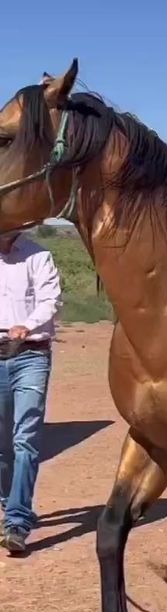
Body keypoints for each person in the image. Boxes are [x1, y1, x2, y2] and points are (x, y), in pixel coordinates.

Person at [0, 230, 62, 554]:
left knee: (25, 438)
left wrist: (27, 324)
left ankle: (17, 522)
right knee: (1, 442)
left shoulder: (38, 256)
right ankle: (9, 501)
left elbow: (50, 299)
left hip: (31, 355)